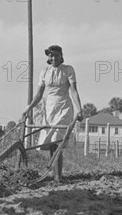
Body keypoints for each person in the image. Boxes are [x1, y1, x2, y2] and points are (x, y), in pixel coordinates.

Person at [22, 44, 83, 181]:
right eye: (51, 55)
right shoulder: (44, 72)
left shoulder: (67, 70)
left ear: (61, 56)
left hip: (64, 107)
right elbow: (38, 95)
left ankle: (57, 176)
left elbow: (73, 91)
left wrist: (79, 109)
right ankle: (54, 173)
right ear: (48, 58)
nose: (54, 57)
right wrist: (28, 109)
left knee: (57, 141)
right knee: (51, 143)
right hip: (49, 108)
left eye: (56, 55)